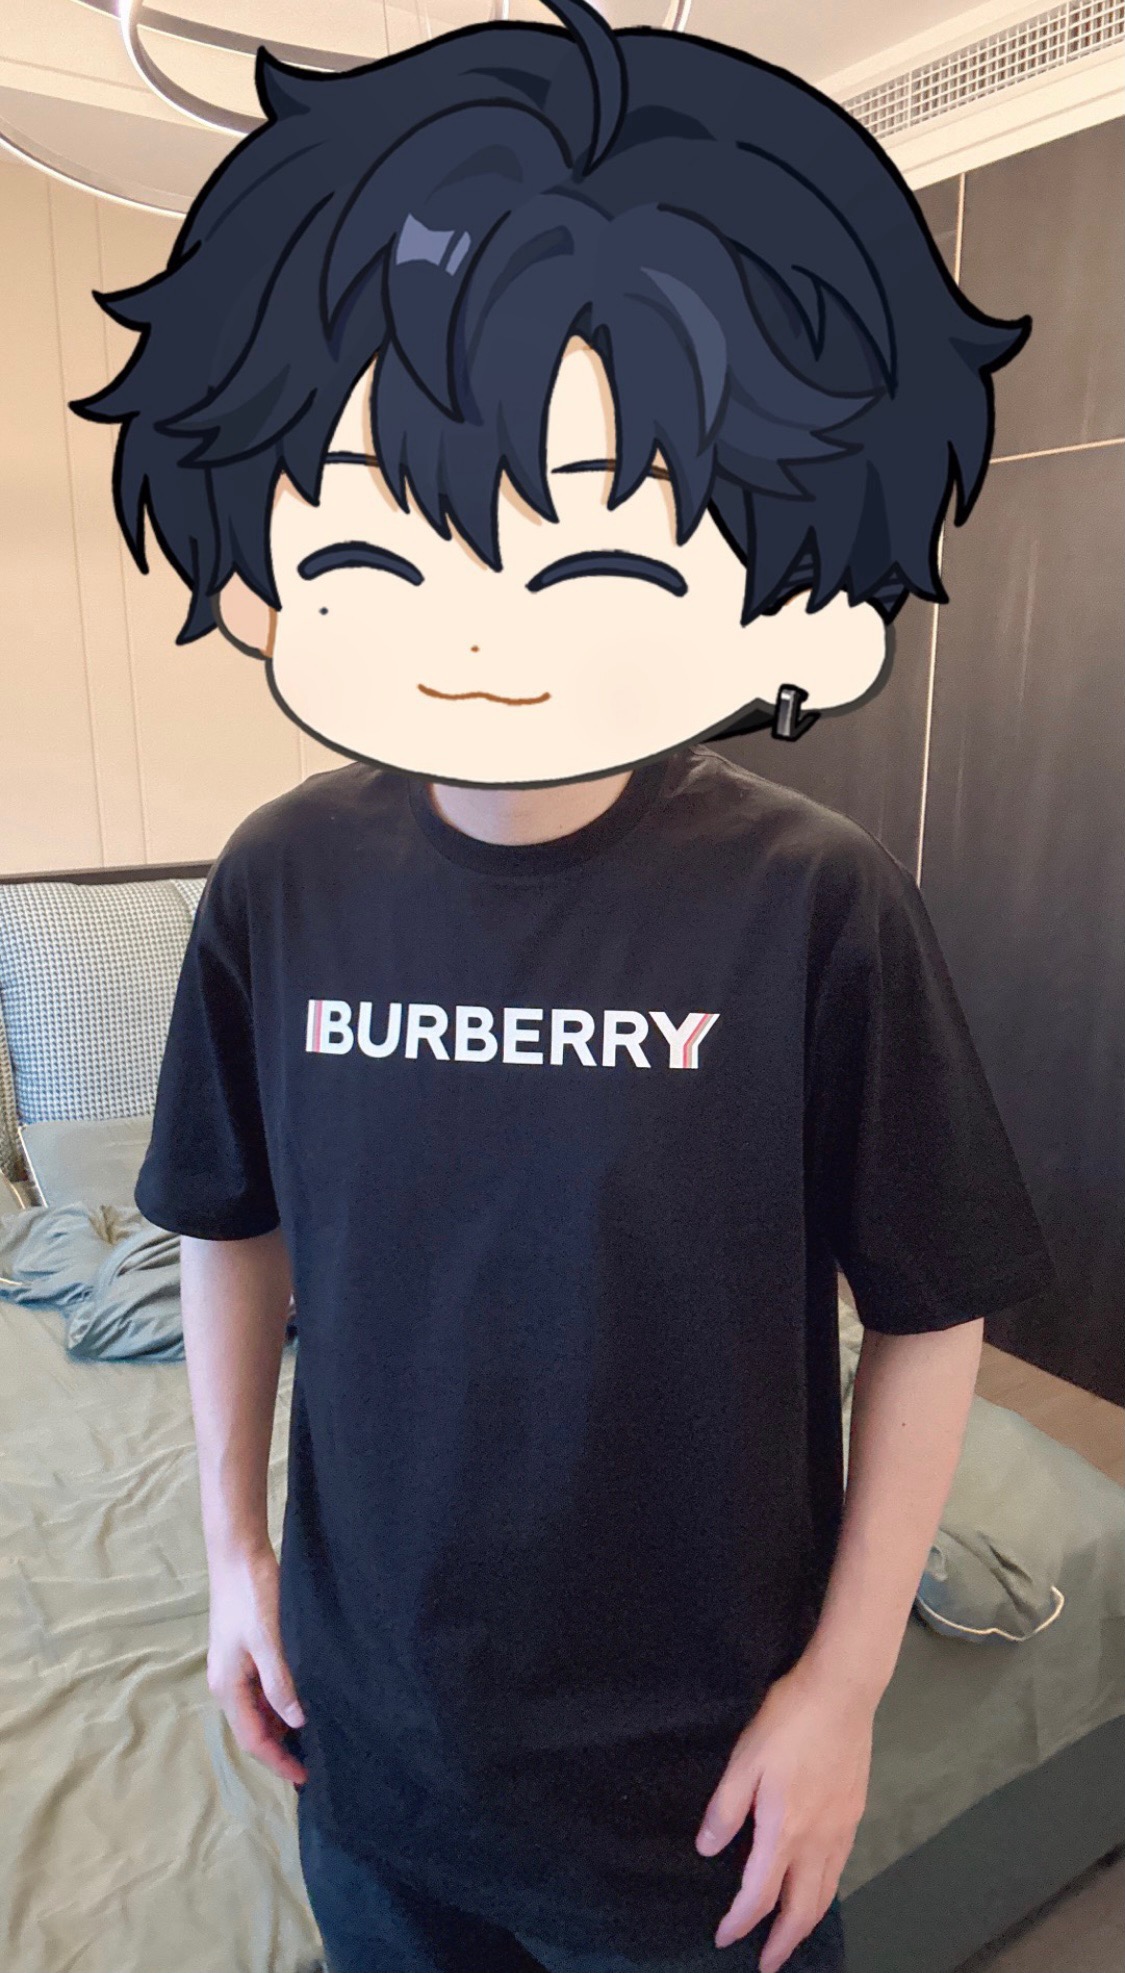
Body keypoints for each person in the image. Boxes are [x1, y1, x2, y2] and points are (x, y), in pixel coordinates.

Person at [71, 4, 1056, 1969]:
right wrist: (233, 1556)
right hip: (375, 1744)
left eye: (590, 539)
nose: (483, 612)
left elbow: (929, 1301)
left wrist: (845, 1684)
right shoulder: (278, 878)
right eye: (396, 533)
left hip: (700, 1776)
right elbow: (226, 1225)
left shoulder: (813, 899)